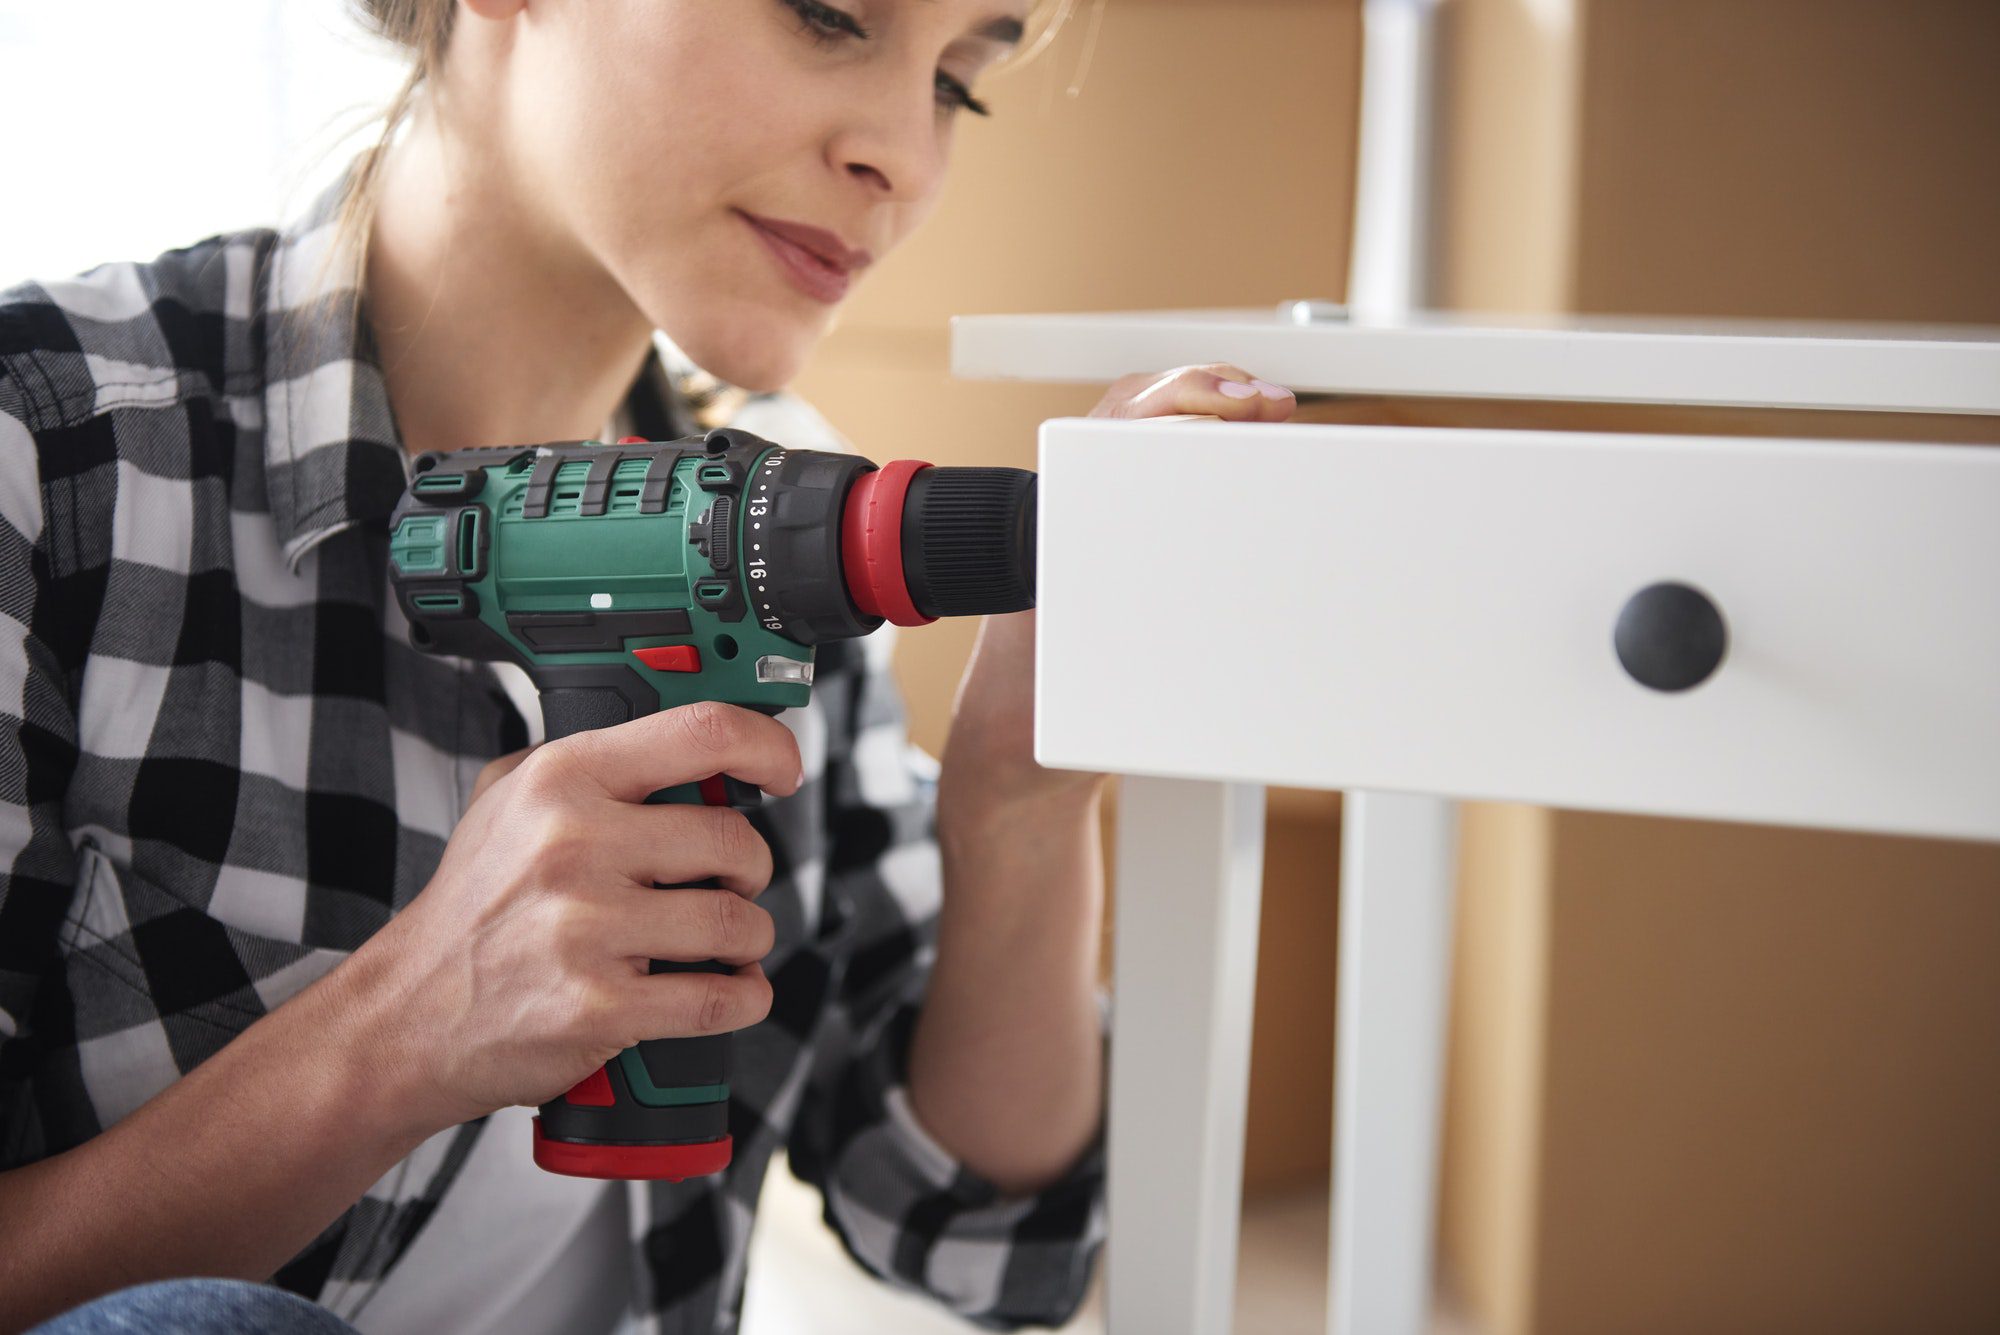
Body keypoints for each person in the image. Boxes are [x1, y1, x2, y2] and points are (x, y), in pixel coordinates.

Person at [0, 1, 1299, 1331]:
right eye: (830, 15)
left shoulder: (775, 541)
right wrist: (407, 1026)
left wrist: (1020, 800)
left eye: (961, 83)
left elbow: (983, 1243)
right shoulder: (54, 453)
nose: (905, 157)